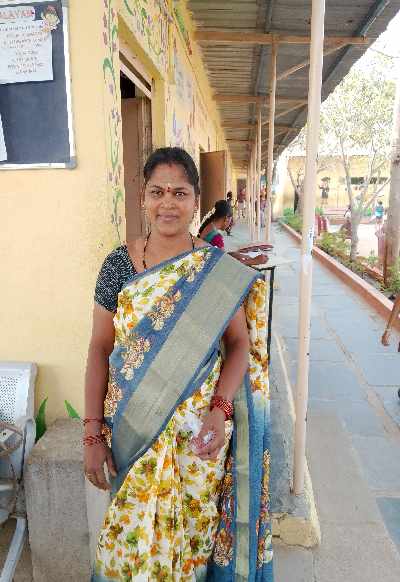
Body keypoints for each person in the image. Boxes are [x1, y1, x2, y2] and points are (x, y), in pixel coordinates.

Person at [85, 147, 273, 581]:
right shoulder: (117, 265)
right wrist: (91, 433)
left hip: (197, 440)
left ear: (196, 200)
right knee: (127, 553)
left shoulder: (215, 268)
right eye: (157, 192)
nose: (168, 203)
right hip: (134, 430)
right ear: (143, 198)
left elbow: (239, 345)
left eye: (179, 193)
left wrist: (219, 410)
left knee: (191, 552)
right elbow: (98, 348)